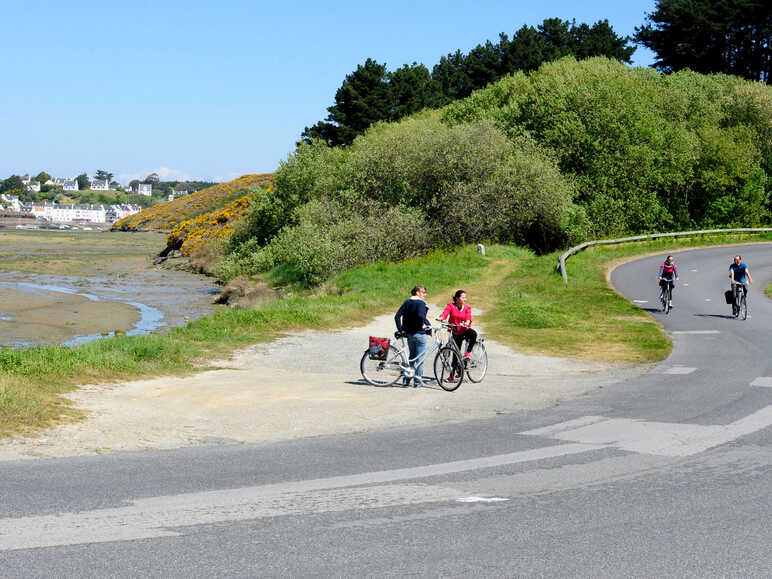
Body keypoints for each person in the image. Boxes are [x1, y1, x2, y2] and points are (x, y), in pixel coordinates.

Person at [437, 289, 477, 384]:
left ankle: (468, 353)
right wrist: (441, 317)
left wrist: (467, 323)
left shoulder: (467, 308)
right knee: (455, 354)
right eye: (463, 297)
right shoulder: (451, 306)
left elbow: (468, 317)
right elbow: (445, 313)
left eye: (465, 297)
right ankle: (451, 376)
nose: (465, 299)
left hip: (464, 330)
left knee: (473, 334)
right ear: (457, 298)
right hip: (455, 332)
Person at [394, 285, 430, 387]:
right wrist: (423, 325)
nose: (425, 294)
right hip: (420, 334)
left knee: (411, 357)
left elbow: (397, 316)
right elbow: (420, 316)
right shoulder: (421, 303)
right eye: (423, 292)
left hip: (409, 335)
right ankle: (417, 382)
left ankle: (406, 380)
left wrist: (401, 330)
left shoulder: (407, 302)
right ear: (417, 292)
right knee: (419, 360)